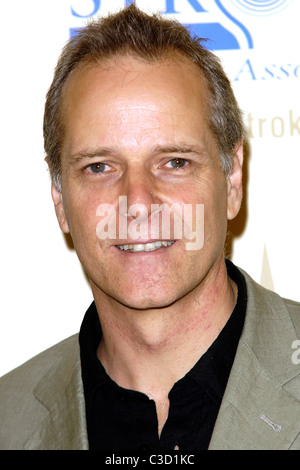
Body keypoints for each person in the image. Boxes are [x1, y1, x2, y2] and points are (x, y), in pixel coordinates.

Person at [0, 4, 299, 451]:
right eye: (100, 166)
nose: (137, 203)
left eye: (175, 162)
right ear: (60, 198)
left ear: (232, 179)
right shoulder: (9, 417)